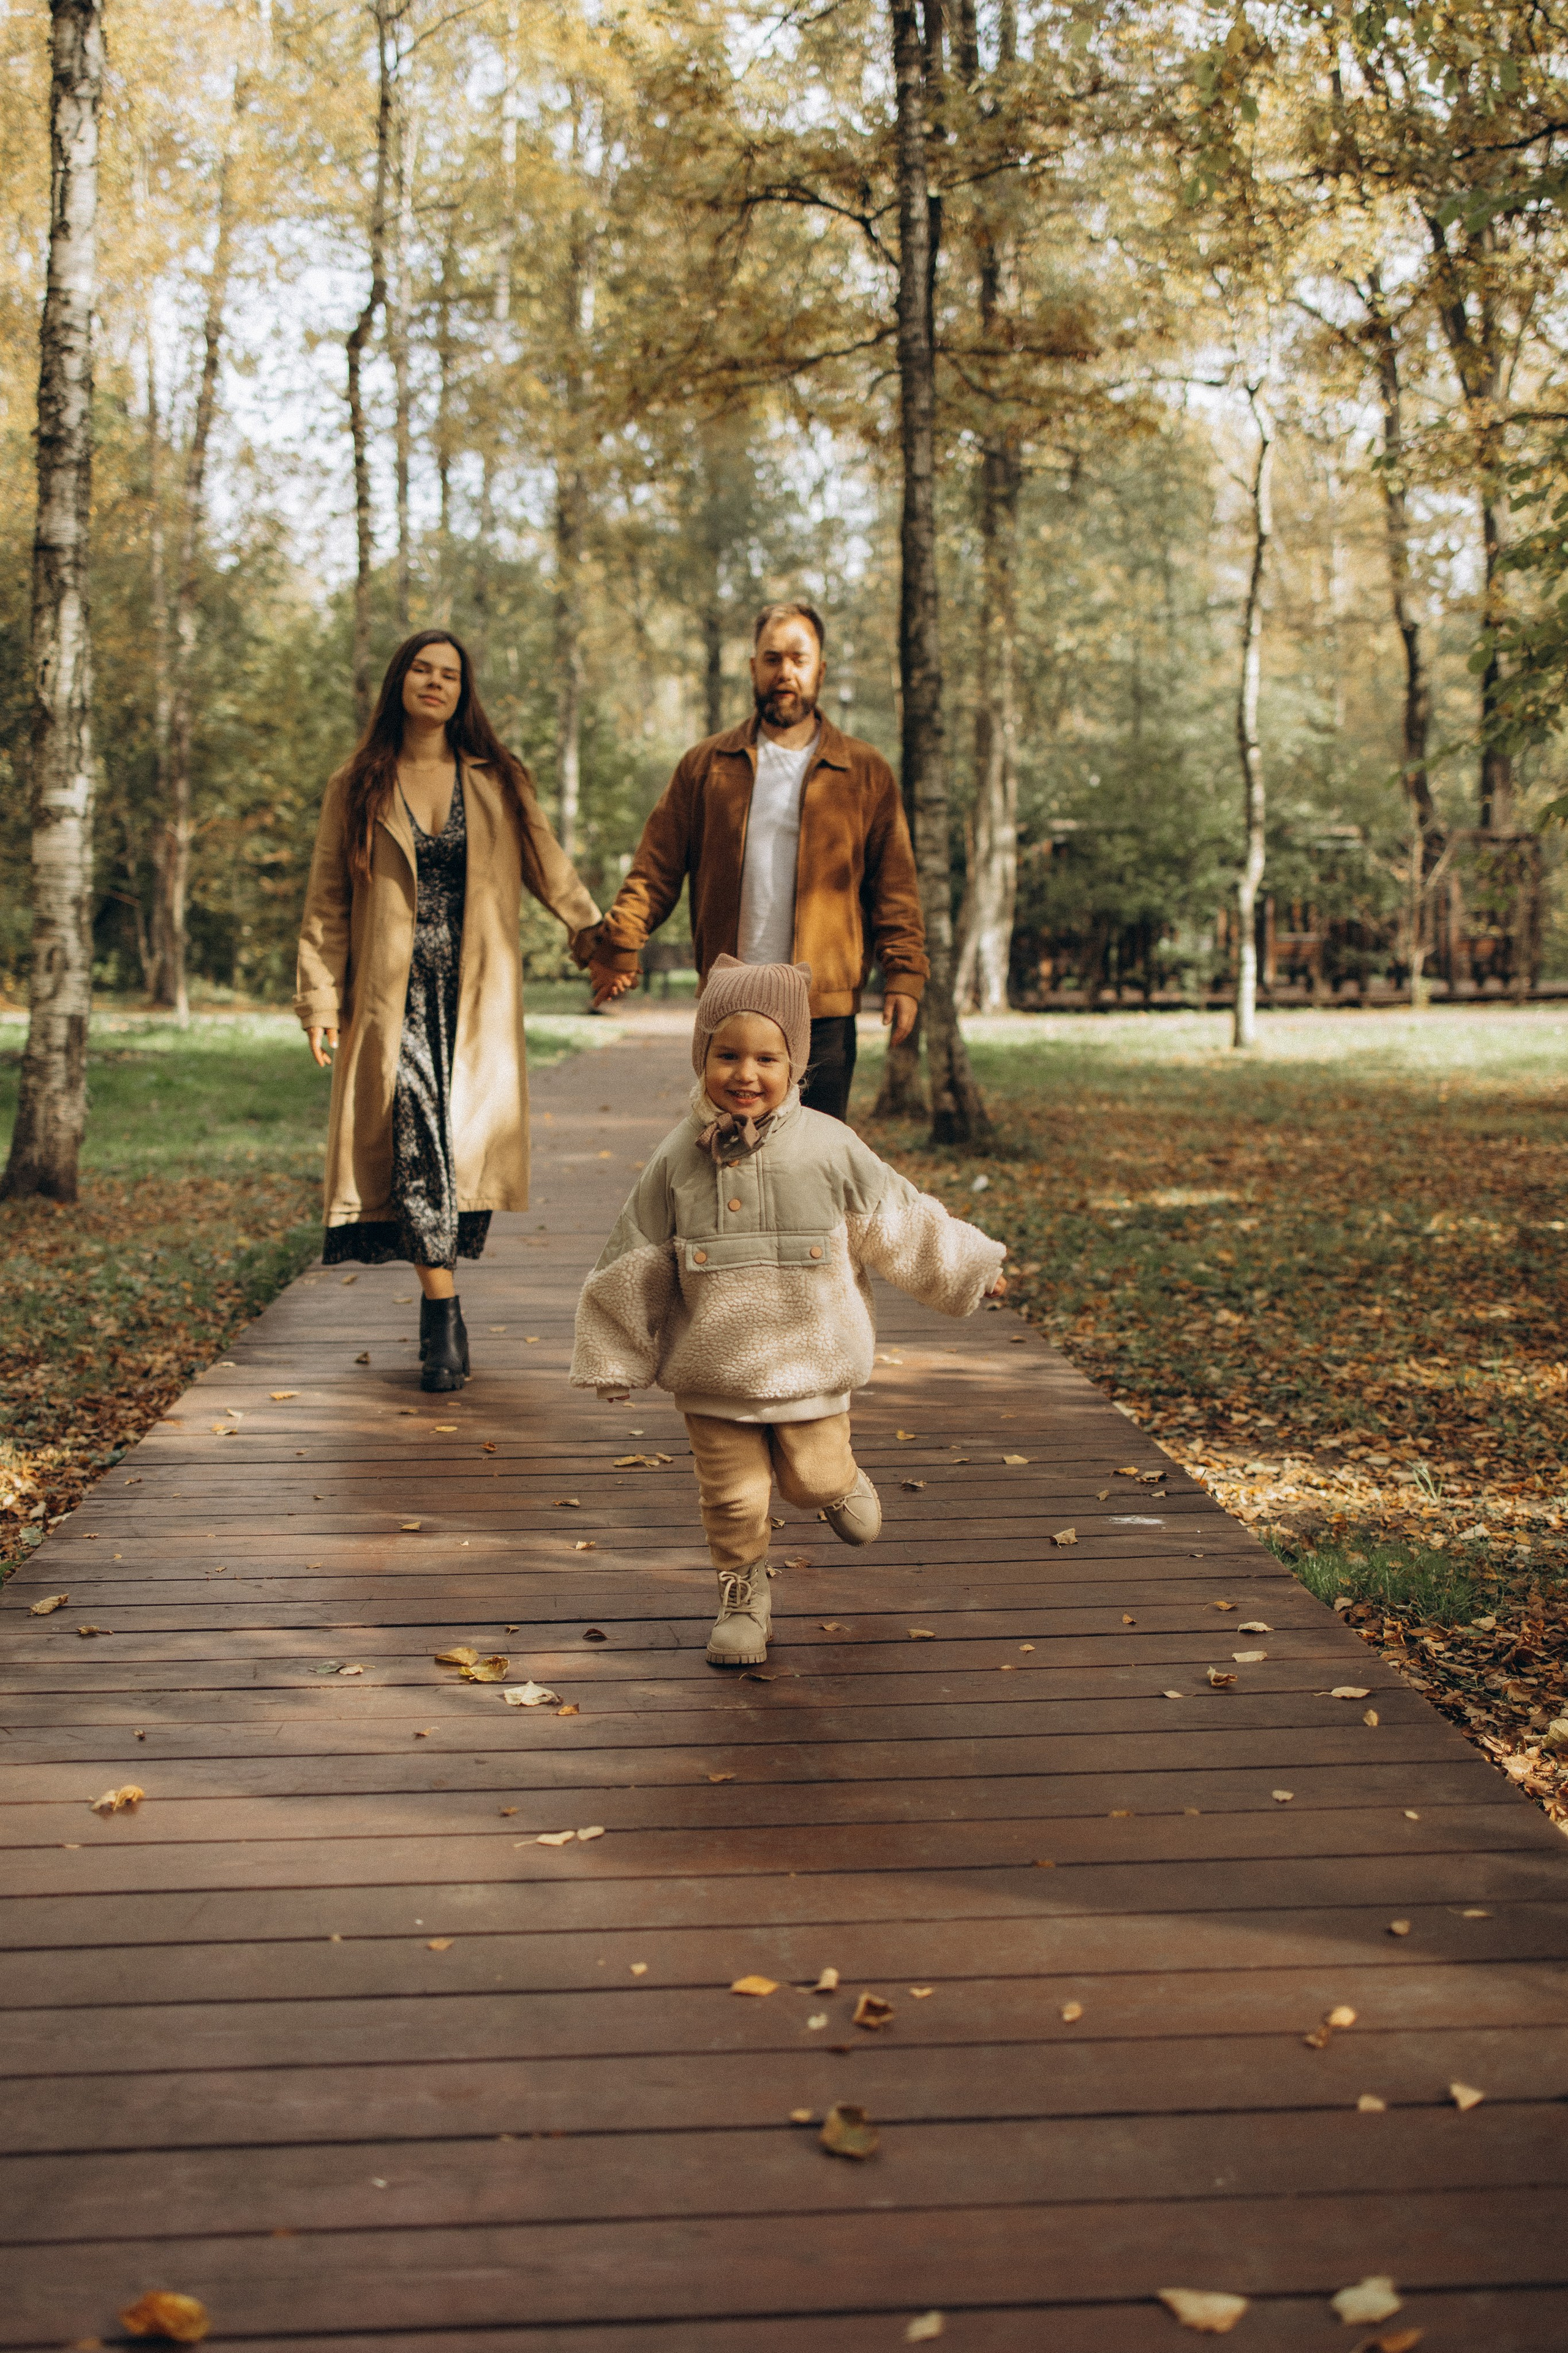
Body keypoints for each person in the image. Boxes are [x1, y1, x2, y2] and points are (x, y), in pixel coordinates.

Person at [570, 958, 1006, 1666]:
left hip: (811, 1362)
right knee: (734, 1501)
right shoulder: (678, 1156)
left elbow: (898, 1220)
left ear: (795, 1064)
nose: (745, 1073)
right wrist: (617, 1354)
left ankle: (840, 1484)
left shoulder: (829, 1146)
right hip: (712, 1370)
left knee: (810, 1478)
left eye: (766, 1057)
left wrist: (971, 1269)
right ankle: (743, 1596)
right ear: (702, 1057)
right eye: (727, 1054)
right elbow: (635, 1252)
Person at [295, 629, 601, 1392]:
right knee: (414, 1139)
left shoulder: (496, 780)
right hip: (390, 1000)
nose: (435, 684)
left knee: (454, 1154)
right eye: (423, 670)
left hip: (474, 1000)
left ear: (463, 693)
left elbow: (547, 864)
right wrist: (319, 999)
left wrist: (595, 935)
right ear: (400, 680)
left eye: (451, 675)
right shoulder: (357, 781)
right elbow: (328, 900)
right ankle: (444, 1317)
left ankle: (441, 1310)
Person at [586, 601, 928, 1123]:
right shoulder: (706, 767)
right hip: (731, 1004)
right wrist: (620, 944)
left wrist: (904, 974)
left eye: (798, 658)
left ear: (820, 670)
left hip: (823, 1009)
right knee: (729, 1163)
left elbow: (895, 887)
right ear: (752, 668)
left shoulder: (863, 771)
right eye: (771, 659)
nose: (784, 672)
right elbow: (654, 869)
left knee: (814, 1166)